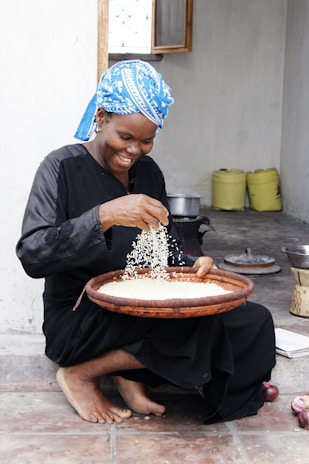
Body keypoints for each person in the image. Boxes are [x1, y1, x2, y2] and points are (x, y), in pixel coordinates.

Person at [16, 59, 276, 425]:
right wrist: (104, 215)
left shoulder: (148, 174)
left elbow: (164, 250)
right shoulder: (60, 168)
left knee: (252, 319)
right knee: (190, 326)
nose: (135, 150)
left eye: (147, 140)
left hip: (142, 307)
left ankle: (129, 374)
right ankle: (81, 374)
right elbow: (33, 254)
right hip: (81, 316)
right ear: (102, 117)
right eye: (126, 137)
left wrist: (192, 265)